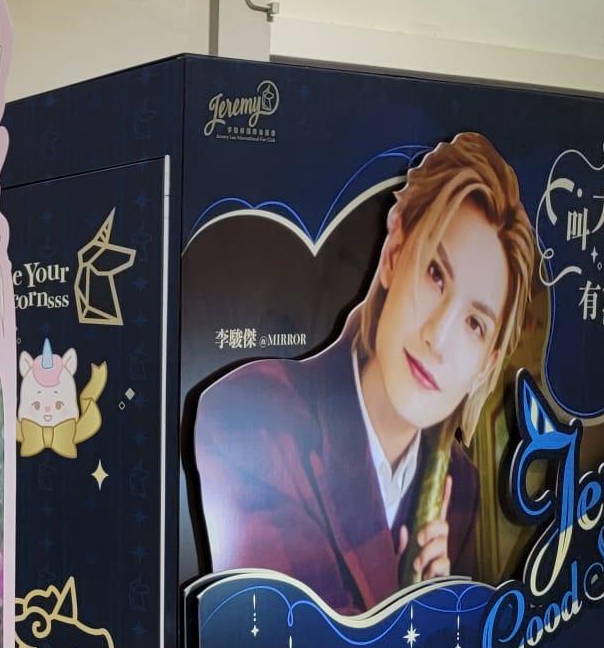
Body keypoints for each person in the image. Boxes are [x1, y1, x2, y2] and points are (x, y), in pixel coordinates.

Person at [193, 133, 539, 615]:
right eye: (435, 274)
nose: (438, 337)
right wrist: (417, 607)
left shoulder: (459, 487)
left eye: (474, 324)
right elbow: (290, 641)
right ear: (394, 252)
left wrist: (443, 598)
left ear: (486, 362)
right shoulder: (252, 417)